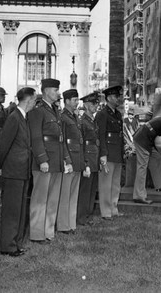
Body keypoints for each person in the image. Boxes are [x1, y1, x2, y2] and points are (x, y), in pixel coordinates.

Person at [28, 78, 73, 244]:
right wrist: (42, 159)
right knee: (40, 199)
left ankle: (48, 232)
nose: (58, 93)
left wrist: (66, 160)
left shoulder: (55, 111)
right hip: (45, 162)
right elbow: (36, 137)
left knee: (53, 199)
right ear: (46, 91)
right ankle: (37, 233)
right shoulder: (38, 111)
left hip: (56, 161)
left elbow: (61, 139)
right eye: (55, 90)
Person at [0, 87, 37, 257]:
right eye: (35, 100)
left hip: (21, 170)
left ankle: (16, 242)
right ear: (28, 100)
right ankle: (8, 245)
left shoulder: (23, 117)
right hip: (13, 171)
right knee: (12, 210)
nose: (35, 103)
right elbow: (4, 144)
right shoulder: (14, 117)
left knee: (20, 209)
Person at [56, 88, 84, 234]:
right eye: (74, 100)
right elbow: (63, 142)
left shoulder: (75, 117)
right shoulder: (63, 118)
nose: (77, 103)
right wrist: (67, 160)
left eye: (77, 100)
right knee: (65, 195)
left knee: (73, 195)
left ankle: (71, 224)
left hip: (77, 160)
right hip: (69, 161)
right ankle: (62, 225)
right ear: (66, 101)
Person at [96, 85, 124, 220]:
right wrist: (103, 154)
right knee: (105, 184)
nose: (117, 99)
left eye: (118, 96)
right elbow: (100, 135)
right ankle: (106, 211)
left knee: (115, 184)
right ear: (108, 98)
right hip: (107, 153)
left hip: (117, 153)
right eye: (114, 96)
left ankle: (114, 208)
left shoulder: (117, 114)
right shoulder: (102, 114)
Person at [76, 92, 100, 226]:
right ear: (85, 105)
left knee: (92, 190)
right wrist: (85, 162)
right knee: (85, 190)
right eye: (92, 104)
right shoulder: (82, 121)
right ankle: (81, 217)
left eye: (96, 103)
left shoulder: (92, 120)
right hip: (88, 157)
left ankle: (88, 215)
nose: (95, 106)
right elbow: (82, 143)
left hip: (94, 157)